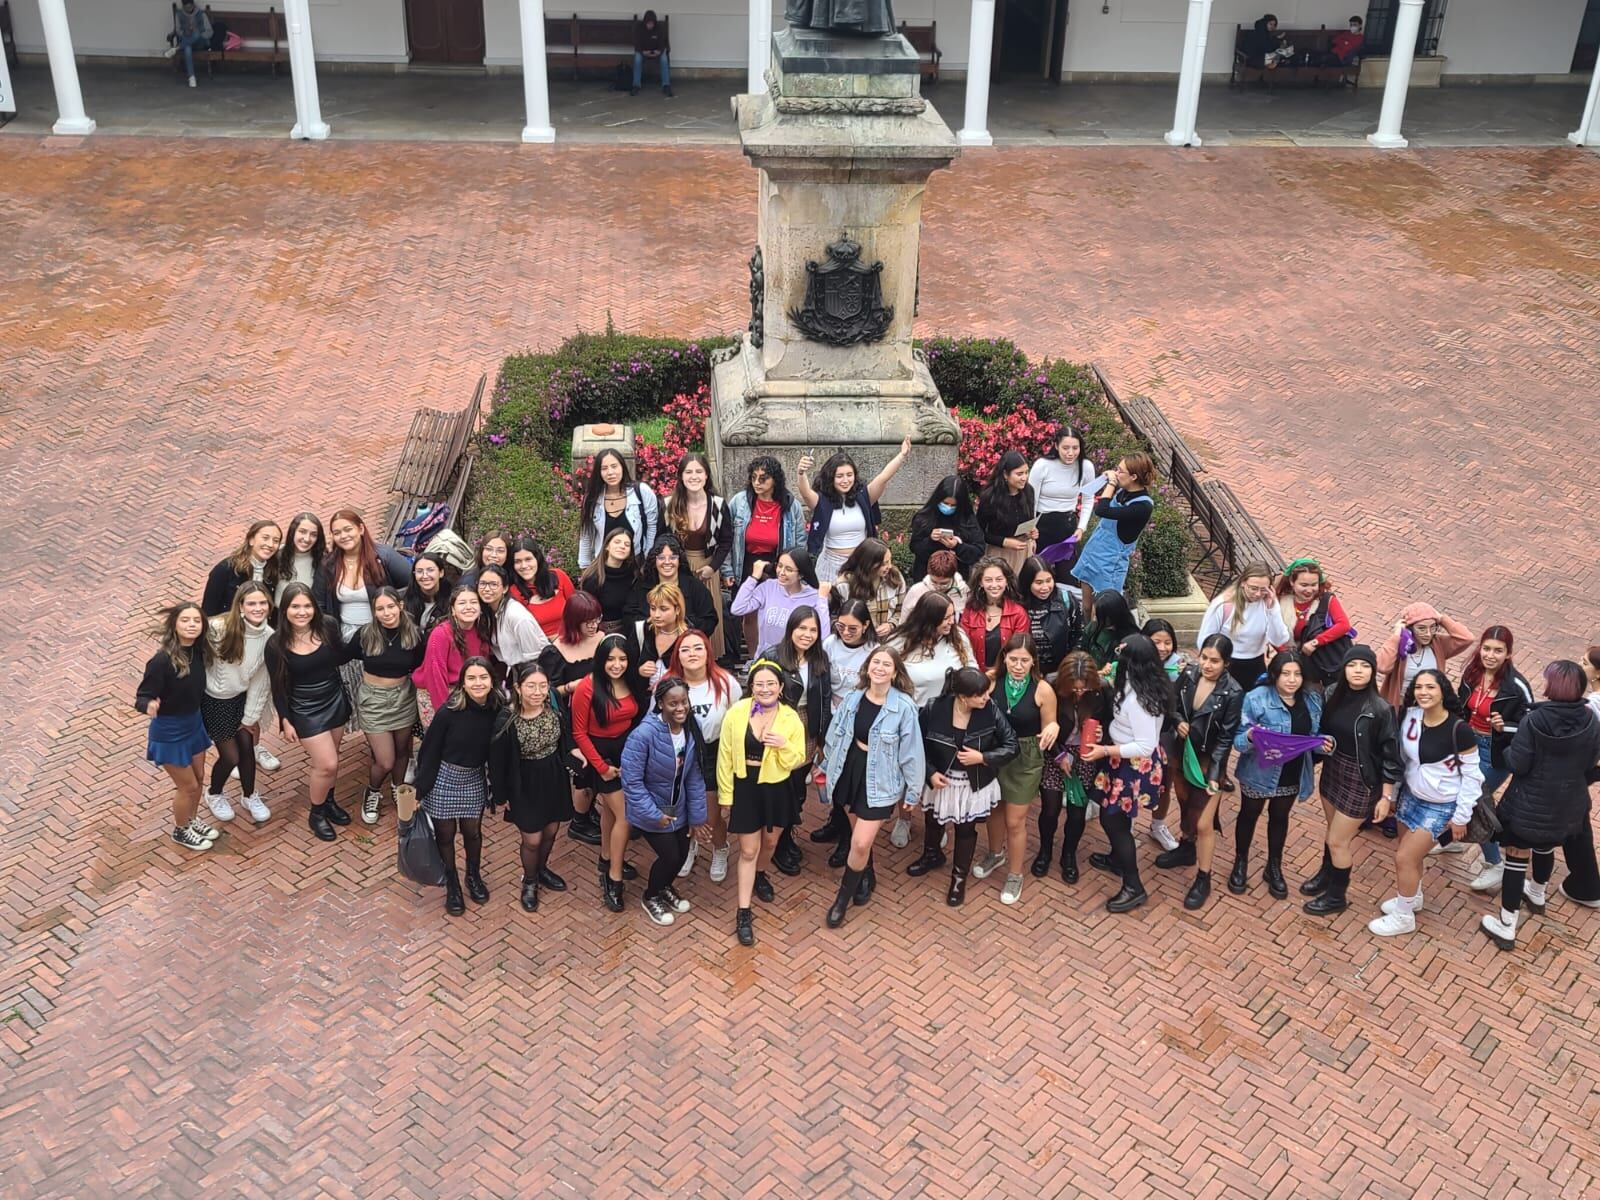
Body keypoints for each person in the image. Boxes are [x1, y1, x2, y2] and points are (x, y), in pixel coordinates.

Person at [1480, 662, 1600, 950]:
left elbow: (1517, 763)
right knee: (1546, 846)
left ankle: (1507, 925)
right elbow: (1589, 763)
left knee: (1516, 857)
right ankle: (1537, 893)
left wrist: (1504, 740)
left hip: (1529, 803)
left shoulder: (1534, 720)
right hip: (1568, 805)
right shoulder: (1590, 720)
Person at [1367, 669, 1484, 937]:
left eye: (1430, 687)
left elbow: (1473, 777)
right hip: (1410, 796)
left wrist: (1461, 817)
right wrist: (1394, 795)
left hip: (1440, 805)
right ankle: (1412, 896)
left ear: (1443, 690)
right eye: (1419, 687)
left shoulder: (1460, 730)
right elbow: (1401, 760)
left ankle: (1403, 916)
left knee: (1404, 857)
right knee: (1410, 856)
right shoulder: (1410, 717)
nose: (1423, 692)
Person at [819, 646, 925, 927]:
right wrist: (825, 766)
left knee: (862, 840)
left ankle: (842, 899)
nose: (879, 668)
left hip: (880, 777)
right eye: (875, 662)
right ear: (867, 667)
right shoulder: (853, 698)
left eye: (886, 664)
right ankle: (867, 873)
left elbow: (912, 752)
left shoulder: (903, 707)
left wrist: (913, 791)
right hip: (849, 767)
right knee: (857, 836)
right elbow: (835, 735)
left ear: (895, 671)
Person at [1301, 646, 1400, 917]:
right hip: (1334, 769)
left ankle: (1337, 896)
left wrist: (1386, 796)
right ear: (1344, 669)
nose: (1358, 671)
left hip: (1361, 779)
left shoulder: (1380, 709)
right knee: (1333, 830)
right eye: (1353, 665)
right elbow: (1321, 730)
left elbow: (1392, 756)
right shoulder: (1332, 694)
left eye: (1365, 666)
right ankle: (1326, 874)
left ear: (1372, 672)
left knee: (1338, 841)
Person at [719, 661, 809, 945]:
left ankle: (761, 874)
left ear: (781, 687)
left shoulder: (790, 718)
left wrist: (783, 745)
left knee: (770, 843)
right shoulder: (736, 713)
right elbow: (724, 757)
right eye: (759, 684)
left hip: (777, 787)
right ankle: (743, 911)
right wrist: (726, 797)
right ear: (751, 687)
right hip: (745, 786)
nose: (765, 689)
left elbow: (798, 759)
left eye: (771, 684)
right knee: (748, 849)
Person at [1081, 634, 1172, 913]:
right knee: (1112, 816)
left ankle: (1134, 885)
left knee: (1113, 821)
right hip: (1120, 757)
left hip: (1130, 766)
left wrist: (1105, 751)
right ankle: (1117, 859)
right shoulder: (1132, 685)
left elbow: (1144, 745)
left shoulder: (1142, 701)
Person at [910, 665, 1016, 904]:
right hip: (941, 779)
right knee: (933, 819)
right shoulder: (934, 708)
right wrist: (930, 772)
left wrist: (983, 758)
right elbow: (916, 743)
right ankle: (931, 855)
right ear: (962, 696)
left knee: (965, 829)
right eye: (980, 695)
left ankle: (959, 877)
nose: (987, 698)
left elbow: (1011, 745)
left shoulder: (990, 710)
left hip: (973, 781)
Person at [1154, 634, 1243, 910]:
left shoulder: (1233, 692)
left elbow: (1226, 738)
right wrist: (1179, 721)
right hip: (1182, 753)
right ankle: (1186, 847)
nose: (1207, 664)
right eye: (1204, 657)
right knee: (1184, 802)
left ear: (1226, 663)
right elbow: (1171, 704)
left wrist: (1215, 774)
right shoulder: (1190, 674)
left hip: (1207, 760)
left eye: (1214, 661)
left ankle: (1204, 877)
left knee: (1204, 822)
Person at [1230, 651, 1327, 900]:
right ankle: (1240, 862)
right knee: (1249, 815)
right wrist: (1251, 736)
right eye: (1286, 673)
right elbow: (1239, 742)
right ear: (1275, 674)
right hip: (1258, 773)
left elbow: (1313, 739)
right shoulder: (1255, 698)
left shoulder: (1312, 700)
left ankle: (1274, 866)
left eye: (1297, 674)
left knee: (1280, 817)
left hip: (1292, 773)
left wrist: (1326, 744)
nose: (1292, 679)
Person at [414, 657, 506, 916]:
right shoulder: (449, 711)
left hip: (473, 777)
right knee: (445, 835)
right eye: (472, 678)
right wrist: (420, 791)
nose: (478, 683)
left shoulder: (498, 707)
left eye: (483, 677)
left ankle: (473, 876)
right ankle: (452, 883)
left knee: (472, 832)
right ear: (463, 684)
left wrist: (499, 788)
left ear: (492, 680)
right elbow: (429, 752)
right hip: (444, 778)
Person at [1445, 626, 1533, 891]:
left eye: (1498, 650)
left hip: (1494, 754)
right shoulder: (1472, 674)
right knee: (1456, 794)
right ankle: (1455, 838)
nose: (1490, 655)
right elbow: (1461, 707)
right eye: (1486, 648)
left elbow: (1531, 725)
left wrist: (1504, 726)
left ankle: (1495, 864)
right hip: (1466, 746)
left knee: (1476, 801)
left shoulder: (1516, 686)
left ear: (1508, 654)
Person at [266, 584, 353, 842]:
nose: (302, 612)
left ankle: (329, 801)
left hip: (333, 697)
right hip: (304, 707)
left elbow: (341, 656)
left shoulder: (328, 626)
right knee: (327, 763)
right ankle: (316, 814)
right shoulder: (275, 644)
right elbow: (277, 685)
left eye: (307, 606)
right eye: (295, 606)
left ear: (314, 607)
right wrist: (285, 719)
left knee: (333, 756)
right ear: (285, 610)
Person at [976, 635, 1059, 905]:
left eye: (1024, 660)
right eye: (1013, 659)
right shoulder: (990, 680)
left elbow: (1050, 723)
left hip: (1025, 756)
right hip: (995, 750)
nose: (1018, 665)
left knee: (1016, 820)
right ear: (1004, 658)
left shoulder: (1042, 689)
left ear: (1033, 661)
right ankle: (994, 853)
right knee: (994, 809)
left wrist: (1052, 728)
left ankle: (1015, 873)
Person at [315, 508, 413, 735]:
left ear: (360, 528)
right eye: (337, 532)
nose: (343, 536)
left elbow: (412, 584)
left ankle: (394, 738)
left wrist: (393, 611)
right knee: (359, 692)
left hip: (381, 634)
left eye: (348, 529)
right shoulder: (329, 565)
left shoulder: (383, 556)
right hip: (347, 639)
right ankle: (375, 738)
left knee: (385, 687)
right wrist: (330, 635)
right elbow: (319, 603)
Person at [570, 633, 649, 912]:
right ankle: (613, 878)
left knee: (611, 813)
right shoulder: (587, 687)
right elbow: (578, 732)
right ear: (601, 660)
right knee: (627, 816)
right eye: (611, 659)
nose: (617, 665)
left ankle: (606, 856)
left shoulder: (632, 682)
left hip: (626, 752)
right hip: (600, 755)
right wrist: (601, 768)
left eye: (623, 659)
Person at [490, 662, 576, 913]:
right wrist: (501, 794)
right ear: (518, 688)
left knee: (550, 831)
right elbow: (497, 761)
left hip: (553, 776)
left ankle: (541, 870)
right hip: (524, 781)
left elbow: (566, 736)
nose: (538, 692)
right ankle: (529, 881)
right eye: (531, 686)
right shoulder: (507, 719)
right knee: (532, 838)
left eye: (542, 686)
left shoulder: (554, 708)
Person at [623, 676, 710, 925]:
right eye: (673, 703)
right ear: (660, 703)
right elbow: (632, 782)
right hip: (652, 811)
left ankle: (664, 887)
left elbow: (692, 775)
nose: (680, 708)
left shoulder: (690, 729)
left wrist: (697, 816)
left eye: (684, 702)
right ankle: (650, 896)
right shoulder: (643, 735)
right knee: (670, 856)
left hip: (679, 808)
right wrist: (653, 815)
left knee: (682, 854)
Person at [342, 586, 427, 824]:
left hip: (403, 697)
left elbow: (421, 664)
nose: (387, 612)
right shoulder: (365, 634)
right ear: (373, 611)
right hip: (373, 699)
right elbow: (341, 656)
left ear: (400, 605)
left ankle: (399, 788)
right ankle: (373, 791)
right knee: (385, 760)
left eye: (391, 606)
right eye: (380, 608)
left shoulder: (415, 634)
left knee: (402, 752)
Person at [759, 605, 832, 877]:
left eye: (813, 630)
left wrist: (822, 738)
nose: (807, 634)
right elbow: (756, 695)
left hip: (807, 727)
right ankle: (776, 845)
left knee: (798, 787)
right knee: (781, 787)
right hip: (781, 727)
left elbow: (824, 700)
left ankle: (787, 835)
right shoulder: (772, 655)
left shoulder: (819, 659)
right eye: (802, 628)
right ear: (791, 628)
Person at [137, 602, 217, 850]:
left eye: (196, 620)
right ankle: (181, 831)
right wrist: (149, 704)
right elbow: (142, 696)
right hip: (170, 731)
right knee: (188, 786)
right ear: (175, 624)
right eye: (185, 620)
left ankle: (191, 820)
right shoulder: (161, 661)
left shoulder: (200, 651)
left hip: (193, 722)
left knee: (200, 776)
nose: (192, 625)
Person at [201, 582, 274, 826]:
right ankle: (213, 793)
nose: (258, 608)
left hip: (240, 700)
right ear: (241, 606)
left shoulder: (269, 638)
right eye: (251, 603)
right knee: (230, 757)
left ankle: (249, 795)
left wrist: (249, 718)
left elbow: (261, 681)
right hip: (214, 701)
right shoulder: (218, 628)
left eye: (262, 602)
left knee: (247, 746)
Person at [667, 631, 736, 883]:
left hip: (713, 753)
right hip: (680, 753)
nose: (692, 654)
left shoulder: (725, 682)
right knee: (681, 807)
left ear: (708, 652)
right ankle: (690, 846)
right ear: (678, 655)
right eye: (685, 649)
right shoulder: (668, 682)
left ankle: (720, 848)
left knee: (710, 814)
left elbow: (738, 719)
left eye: (698, 648)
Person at [1036, 651, 1109, 883]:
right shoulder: (1051, 684)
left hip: (1087, 753)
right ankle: (1045, 851)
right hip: (1055, 750)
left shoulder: (1102, 688)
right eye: (1074, 689)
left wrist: (1102, 732)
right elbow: (1045, 725)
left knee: (1078, 810)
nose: (1079, 693)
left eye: (1083, 689)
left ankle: (1069, 855)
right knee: (1050, 808)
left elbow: (1110, 719)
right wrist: (1059, 756)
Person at [543, 590, 606, 847]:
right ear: (573, 620)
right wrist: (573, 687)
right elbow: (546, 692)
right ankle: (579, 821)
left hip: (602, 715)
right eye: (587, 621)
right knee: (584, 769)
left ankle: (589, 810)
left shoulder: (604, 639)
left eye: (597, 619)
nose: (594, 625)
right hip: (574, 721)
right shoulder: (555, 651)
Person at [798, 438, 909, 583]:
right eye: (839, 476)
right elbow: (805, 492)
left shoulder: (864, 495)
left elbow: (883, 477)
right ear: (830, 478)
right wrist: (801, 472)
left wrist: (902, 455)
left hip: (861, 564)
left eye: (849, 475)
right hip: (831, 565)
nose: (845, 480)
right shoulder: (822, 501)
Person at [813, 600, 877, 848]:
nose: (846, 632)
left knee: (849, 775)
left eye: (853, 628)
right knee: (831, 771)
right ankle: (835, 820)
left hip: (858, 719)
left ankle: (848, 838)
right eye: (841, 626)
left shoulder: (873, 651)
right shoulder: (830, 644)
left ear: (866, 626)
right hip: (831, 715)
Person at [1070, 452, 1155, 624]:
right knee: (1086, 607)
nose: (1116, 473)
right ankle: (1085, 640)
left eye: (1120, 471)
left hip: (1110, 563)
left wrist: (1111, 483)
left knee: (1102, 613)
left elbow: (1102, 510)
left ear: (1133, 477)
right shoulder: (1124, 492)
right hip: (1093, 554)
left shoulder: (1142, 506)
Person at [663, 453, 732, 659]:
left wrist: (713, 567)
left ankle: (709, 660)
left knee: (706, 613)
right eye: (689, 472)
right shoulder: (669, 504)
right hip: (676, 567)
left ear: (707, 476)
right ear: (681, 476)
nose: (694, 476)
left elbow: (726, 540)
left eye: (699, 472)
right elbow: (662, 540)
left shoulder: (718, 505)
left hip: (707, 565)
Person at [1198, 565, 1292, 693]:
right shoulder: (1223, 604)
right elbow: (1204, 639)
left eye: (1263, 589)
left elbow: (1280, 639)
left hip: (1256, 664)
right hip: (1227, 664)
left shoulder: (1268, 604)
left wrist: (1272, 609)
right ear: (1243, 583)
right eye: (1253, 588)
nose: (1258, 594)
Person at [729, 546, 830, 655]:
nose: (781, 572)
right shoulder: (768, 587)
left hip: (796, 660)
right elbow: (737, 609)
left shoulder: (813, 596)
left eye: (789, 569)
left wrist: (822, 600)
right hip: (767, 659)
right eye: (779, 566)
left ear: (801, 574)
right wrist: (753, 578)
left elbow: (824, 636)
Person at [1558, 647, 1600, 908]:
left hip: (1580, 767)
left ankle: (1587, 886)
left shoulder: (1593, 706)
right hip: (1589, 767)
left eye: (1584, 663)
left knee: (1575, 822)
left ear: (1597, 674)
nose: (1579, 664)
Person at [1375, 602, 1474, 709]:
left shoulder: (1438, 644)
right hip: (1402, 707)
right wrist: (1396, 636)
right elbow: (1383, 667)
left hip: (1430, 709)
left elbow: (1467, 638)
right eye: (1421, 628)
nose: (1428, 634)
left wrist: (1441, 618)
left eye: (1432, 627)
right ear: (1410, 628)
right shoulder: (1399, 645)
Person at [412, 587, 494, 716]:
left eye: (473, 602)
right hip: (439, 693)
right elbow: (435, 675)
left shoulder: (481, 631)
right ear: (453, 610)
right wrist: (445, 712)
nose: (468, 607)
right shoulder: (441, 634)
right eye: (462, 603)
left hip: (468, 690)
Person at [1275, 558, 1353, 689]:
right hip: (1296, 663)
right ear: (1292, 582)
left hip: (1326, 662)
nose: (1309, 590)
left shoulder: (1326, 600)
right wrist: (1286, 654)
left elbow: (1343, 625)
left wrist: (1316, 642)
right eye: (1304, 585)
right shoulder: (1281, 602)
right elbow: (1272, 632)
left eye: (1313, 585)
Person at [576, 449, 659, 572]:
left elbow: (652, 527)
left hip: (635, 565)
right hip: (604, 566)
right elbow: (586, 533)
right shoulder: (592, 498)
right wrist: (584, 566)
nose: (610, 472)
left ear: (622, 467)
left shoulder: (641, 491)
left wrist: (647, 559)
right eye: (604, 468)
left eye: (614, 466)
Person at [1029, 426, 1103, 551]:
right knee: (1039, 567)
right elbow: (1030, 500)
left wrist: (1081, 527)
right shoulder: (1042, 465)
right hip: (1041, 525)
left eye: (1075, 448)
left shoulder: (1086, 467)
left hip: (1067, 525)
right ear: (1057, 446)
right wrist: (1031, 530)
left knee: (1067, 568)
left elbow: (1088, 499)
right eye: (1065, 448)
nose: (1070, 453)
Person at [637, 536, 718, 644]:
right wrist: (653, 624)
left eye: (672, 557)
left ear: (679, 560)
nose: (667, 562)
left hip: (687, 646)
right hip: (652, 645)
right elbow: (630, 618)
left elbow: (710, 620)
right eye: (661, 558)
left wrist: (680, 624)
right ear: (654, 560)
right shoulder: (642, 587)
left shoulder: (695, 587)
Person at [958, 556, 1030, 674]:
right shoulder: (970, 611)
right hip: (976, 675)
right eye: (988, 580)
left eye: (999, 579)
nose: (994, 584)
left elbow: (1019, 652)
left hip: (1007, 675)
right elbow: (963, 647)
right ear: (981, 582)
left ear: (1006, 581)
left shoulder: (1018, 613)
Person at [908, 475, 986, 582]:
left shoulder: (968, 520)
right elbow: (915, 547)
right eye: (945, 503)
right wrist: (931, 540)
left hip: (956, 579)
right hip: (926, 577)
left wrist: (957, 546)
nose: (948, 507)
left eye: (953, 505)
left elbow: (978, 551)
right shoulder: (924, 518)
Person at [827, 538, 905, 638]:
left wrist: (891, 624)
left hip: (888, 641)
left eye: (889, 561)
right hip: (857, 643)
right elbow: (832, 619)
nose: (889, 566)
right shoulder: (843, 585)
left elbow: (903, 611)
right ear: (869, 564)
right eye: (884, 564)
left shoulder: (895, 577)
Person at [201, 521, 282, 617]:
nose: (270, 544)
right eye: (265, 538)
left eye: (276, 541)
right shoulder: (225, 569)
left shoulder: (274, 572)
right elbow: (208, 611)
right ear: (251, 539)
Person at [977, 449, 1037, 577]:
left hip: (1023, 549)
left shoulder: (1029, 491)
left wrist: (1032, 532)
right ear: (1005, 474)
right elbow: (979, 532)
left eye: (1026, 473)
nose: (1024, 478)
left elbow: (1030, 520)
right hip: (999, 553)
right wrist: (1004, 542)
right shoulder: (990, 497)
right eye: (1019, 474)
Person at [478, 565, 549, 673]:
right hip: (513, 671)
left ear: (505, 588)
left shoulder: (517, 616)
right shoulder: (489, 610)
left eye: (493, 584)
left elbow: (535, 657)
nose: (487, 589)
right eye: (483, 584)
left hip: (532, 673)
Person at [1017, 556, 1080, 677]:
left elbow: (1079, 634)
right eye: (1038, 583)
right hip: (1026, 670)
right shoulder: (1017, 604)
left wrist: (1069, 666)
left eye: (1048, 580)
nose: (1045, 587)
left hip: (1060, 670)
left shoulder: (1066, 600)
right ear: (1027, 582)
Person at [579, 527, 643, 632]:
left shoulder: (634, 574)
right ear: (607, 546)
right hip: (603, 630)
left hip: (630, 627)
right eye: (617, 542)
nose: (622, 546)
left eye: (627, 544)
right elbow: (587, 614)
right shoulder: (593, 578)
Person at [508, 538, 574, 641]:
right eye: (518, 561)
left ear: (537, 559)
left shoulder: (559, 576)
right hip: (542, 649)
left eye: (528, 559)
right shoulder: (514, 592)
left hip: (572, 639)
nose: (524, 566)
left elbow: (577, 610)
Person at [632, 582, 690, 683]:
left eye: (664, 609)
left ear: (677, 610)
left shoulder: (690, 636)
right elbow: (627, 666)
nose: (656, 615)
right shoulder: (641, 629)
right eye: (653, 608)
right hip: (645, 697)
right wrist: (639, 671)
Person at [901, 549, 972, 622]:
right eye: (934, 582)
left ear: (953, 576)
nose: (938, 587)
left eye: (944, 583)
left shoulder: (964, 591)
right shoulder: (916, 591)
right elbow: (904, 623)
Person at [1082, 589, 1139, 670]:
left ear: (1113, 617)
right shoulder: (1092, 627)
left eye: (1098, 617)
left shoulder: (1131, 639)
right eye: (1094, 614)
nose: (1094, 620)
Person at [275, 512, 325, 603]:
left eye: (313, 535)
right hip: (278, 614)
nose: (307, 539)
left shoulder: (323, 561)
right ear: (293, 531)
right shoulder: (277, 556)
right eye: (302, 532)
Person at [405, 551, 456, 637]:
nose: (425, 576)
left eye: (430, 570)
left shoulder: (452, 599)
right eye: (420, 571)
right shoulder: (406, 599)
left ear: (441, 573)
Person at [164, 0, 213, 88]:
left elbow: (210, 31)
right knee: (187, 48)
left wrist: (199, 34)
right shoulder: (179, 14)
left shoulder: (201, 14)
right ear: (183, 7)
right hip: (186, 41)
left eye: (190, 7)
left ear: (193, 5)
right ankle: (191, 77)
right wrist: (185, 33)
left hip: (200, 42)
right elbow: (178, 31)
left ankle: (176, 48)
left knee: (196, 33)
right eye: (186, 7)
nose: (189, 9)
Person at [632, 9, 672, 97]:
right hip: (643, 52)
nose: (650, 25)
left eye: (652, 23)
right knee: (637, 58)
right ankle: (636, 85)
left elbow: (663, 43)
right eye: (648, 23)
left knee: (664, 59)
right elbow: (636, 44)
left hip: (656, 52)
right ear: (645, 22)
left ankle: (666, 85)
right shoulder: (639, 29)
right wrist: (643, 52)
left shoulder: (659, 29)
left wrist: (659, 51)